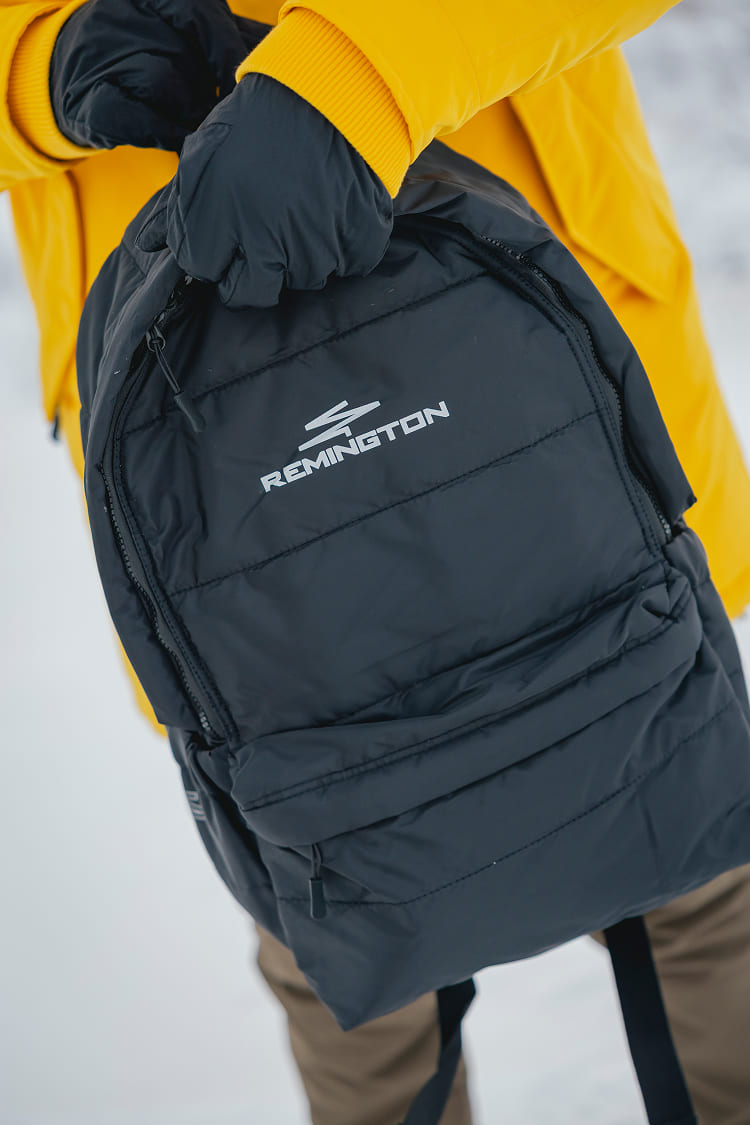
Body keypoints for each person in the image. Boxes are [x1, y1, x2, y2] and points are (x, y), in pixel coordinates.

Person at [2, 1, 749, 1121]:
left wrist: (357, 78)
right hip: (222, 507)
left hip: (543, 428)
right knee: (349, 969)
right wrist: (40, 63)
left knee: (695, 897)